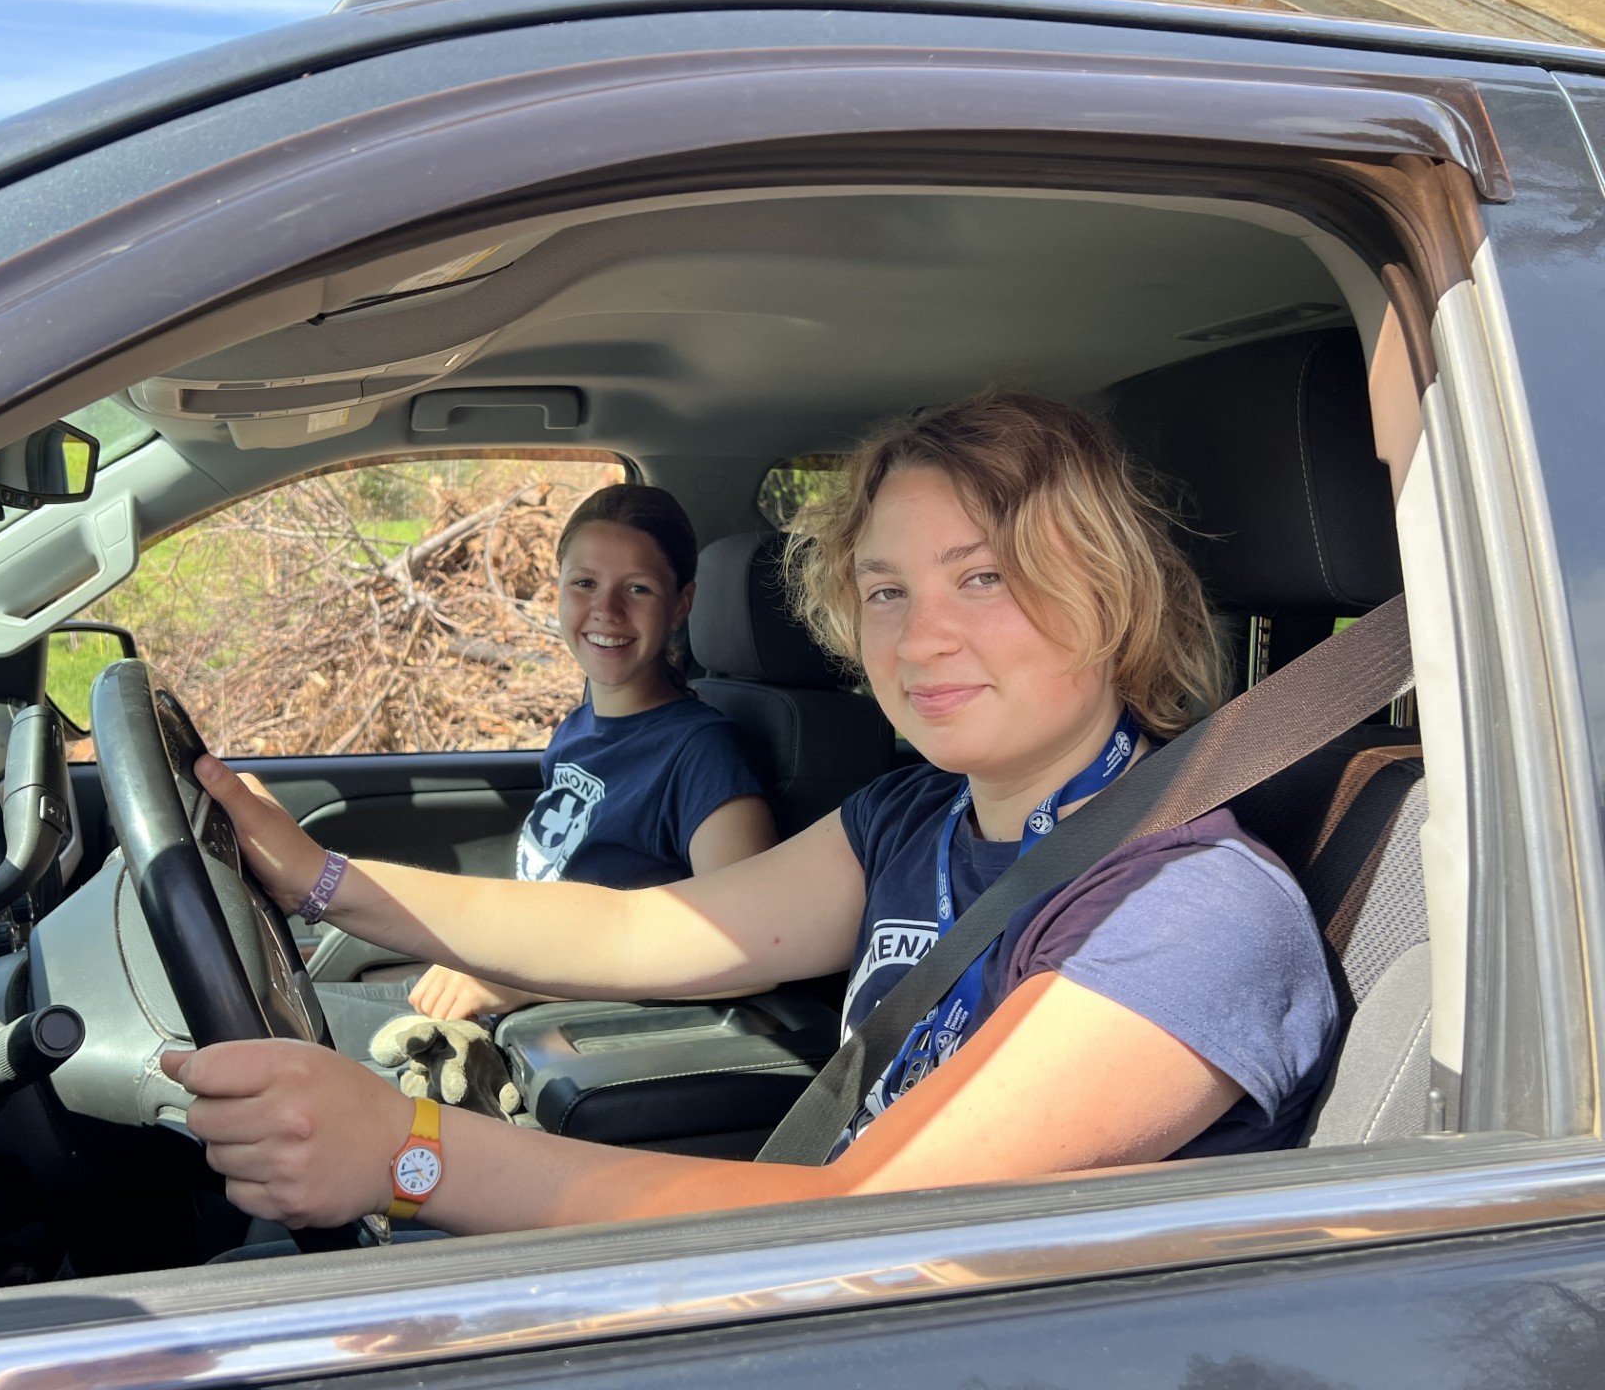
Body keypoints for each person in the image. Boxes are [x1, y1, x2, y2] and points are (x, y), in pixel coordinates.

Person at [165, 393, 1337, 1235]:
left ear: (1112, 590)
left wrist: (407, 1155)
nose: (919, 635)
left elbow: (872, 1229)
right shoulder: (916, 815)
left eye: (983, 576)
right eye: (887, 589)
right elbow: (644, 932)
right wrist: (323, 878)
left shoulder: (1195, 912)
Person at [318, 482, 778, 1044]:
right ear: (557, 590)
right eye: (584, 583)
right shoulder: (579, 729)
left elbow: (745, 947)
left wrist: (529, 980)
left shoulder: (703, 753)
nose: (605, 610)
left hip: (602, 1035)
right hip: (540, 1007)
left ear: (681, 603)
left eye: (637, 588)